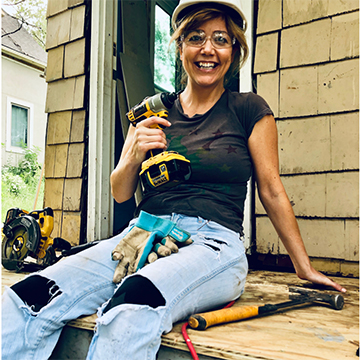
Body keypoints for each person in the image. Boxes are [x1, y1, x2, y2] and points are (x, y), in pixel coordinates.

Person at [2, 1, 346, 359]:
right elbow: (120, 192)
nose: (208, 49)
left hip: (213, 244)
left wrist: (302, 266)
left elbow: (272, 190)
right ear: (180, 46)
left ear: (234, 50)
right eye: (196, 37)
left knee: (131, 306)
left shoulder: (248, 110)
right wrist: (134, 152)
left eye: (220, 39)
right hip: (141, 234)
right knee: (29, 295)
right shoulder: (153, 110)